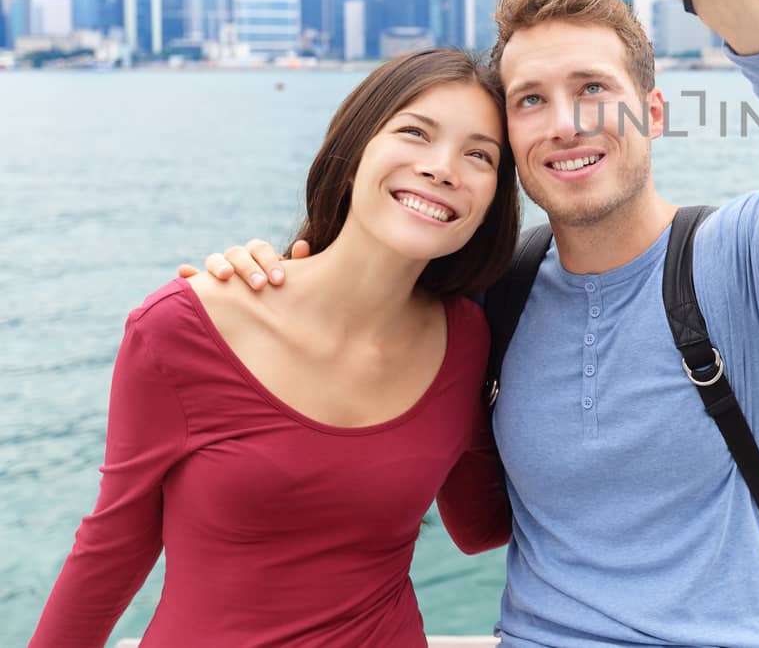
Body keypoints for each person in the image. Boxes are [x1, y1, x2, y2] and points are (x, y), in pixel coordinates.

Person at [196, 0, 759, 647]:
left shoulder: (753, 263)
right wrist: (269, 282)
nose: (565, 122)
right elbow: (378, 360)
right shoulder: (496, 288)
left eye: (592, 89)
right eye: (530, 99)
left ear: (651, 111)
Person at [32, 48, 521, 647]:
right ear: (353, 155)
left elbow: (478, 524)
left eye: (479, 155)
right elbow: (112, 549)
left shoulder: (468, 339)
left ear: (492, 202)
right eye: (415, 133)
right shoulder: (182, 326)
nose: (443, 168)